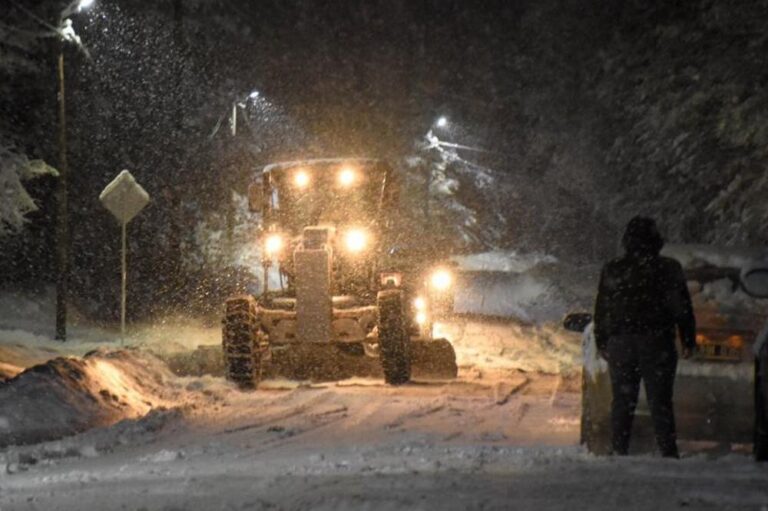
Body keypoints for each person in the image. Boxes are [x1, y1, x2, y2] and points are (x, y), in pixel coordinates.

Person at [594, 216, 696, 458]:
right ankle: (668, 452)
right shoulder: (668, 268)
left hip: (622, 342)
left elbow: (603, 308)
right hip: (657, 342)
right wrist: (688, 338)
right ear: (656, 239)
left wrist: (603, 340)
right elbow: (681, 306)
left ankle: (620, 449)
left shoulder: (614, 269)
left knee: (622, 400)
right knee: (660, 400)